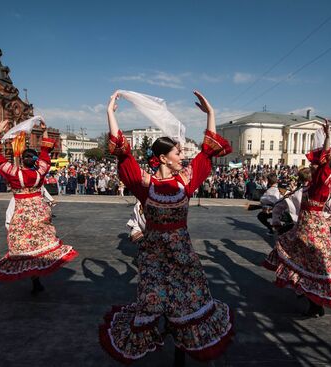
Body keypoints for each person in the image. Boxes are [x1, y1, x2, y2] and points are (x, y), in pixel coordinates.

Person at [99, 91, 234, 364]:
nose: (182, 156)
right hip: (154, 257)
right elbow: (123, 155)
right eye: (177, 152)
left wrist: (211, 114)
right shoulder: (145, 185)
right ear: (162, 158)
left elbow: (207, 152)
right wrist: (111, 114)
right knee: (154, 302)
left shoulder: (185, 181)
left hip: (182, 255)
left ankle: (180, 355)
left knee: (187, 304)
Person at [262, 120, 331, 317]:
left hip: (303, 229)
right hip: (315, 230)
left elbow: (330, 171)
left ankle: (314, 304)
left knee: (307, 268)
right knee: (326, 264)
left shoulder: (308, 188)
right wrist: (328, 139)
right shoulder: (318, 186)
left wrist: (275, 223)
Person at [0, 119, 78, 294]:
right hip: (39, 212)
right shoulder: (40, 171)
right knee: (40, 246)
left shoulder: (14, 173)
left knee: (24, 246)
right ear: (34, 161)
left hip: (23, 213)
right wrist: (45, 130)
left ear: (22, 160)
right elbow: (46, 152)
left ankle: (34, 279)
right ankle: (37, 278)